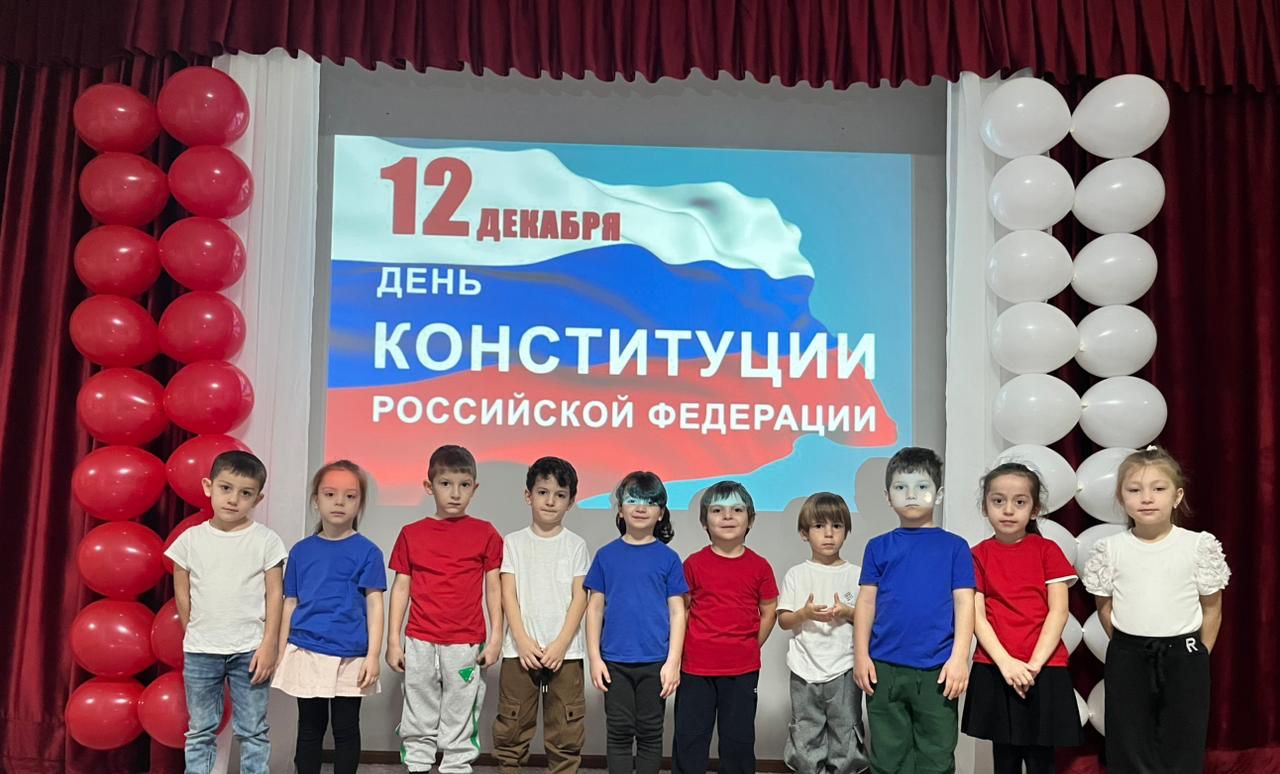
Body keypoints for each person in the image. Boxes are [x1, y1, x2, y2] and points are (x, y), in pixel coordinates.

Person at [1082, 446, 1230, 774]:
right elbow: (1105, 607)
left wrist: (1196, 654)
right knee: (1129, 740)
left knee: (1183, 740)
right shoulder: (1110, 549)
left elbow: (1212, 609)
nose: (1146, 498)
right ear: (1121, 498)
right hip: (1128, 657)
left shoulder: (1197, 545)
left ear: (1177, 496)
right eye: (1134, 490)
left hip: (1184, 657)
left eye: (1158, 489)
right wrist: (1129, 646)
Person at [853, 446, 975, 774]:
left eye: (922, 486)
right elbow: (866, 602)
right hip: (883, 668)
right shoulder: (878, 546)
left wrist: (959, 658)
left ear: (939, 494)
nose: (911, 494)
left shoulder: (956, 547)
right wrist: (861, 655)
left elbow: (965, 603)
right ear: (887, 496)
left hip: (938, 669)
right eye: (901, 487)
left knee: (936, 754)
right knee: (887, 756)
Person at [166, 450, 288, 774]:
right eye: (225, 488)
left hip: (250, 650)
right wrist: (194, 628)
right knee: (200, 729)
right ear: (209, 487)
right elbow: (182, 589)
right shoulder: (190, 540)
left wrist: (269, 645)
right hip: (201, 650)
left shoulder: (266, 541)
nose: (234, 499)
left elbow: (275, 595)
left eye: (245, 493)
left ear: (258, 499)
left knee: (253, 730)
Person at [386, 445, 504, 774]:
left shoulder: (485, 533)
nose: (455, 493)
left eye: (464, 485)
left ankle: (456, 767)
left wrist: (496, 638)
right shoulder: (411, 534)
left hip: (465, 642)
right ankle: (418, 766)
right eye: (445, 484)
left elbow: (494, 588)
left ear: (474, 488)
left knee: (460, 711)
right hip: (420, 640)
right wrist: (393, 641)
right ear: (429, 486)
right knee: (418, 709)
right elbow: (401, 589)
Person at [961, 462, 1081, 774]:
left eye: (1020, 502)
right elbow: (976, 617)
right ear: (985, 506)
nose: (1008, 510)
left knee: (1042, 760)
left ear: (1034, 509)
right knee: (1005, 759)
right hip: (996, 667)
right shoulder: (977, 555)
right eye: (998, 500)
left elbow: (1059, 612)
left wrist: (1033, 664)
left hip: (1044, 668)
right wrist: (1006, 664)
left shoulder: (1047, 550)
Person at [272, 460, 386, 774]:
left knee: (346, 728)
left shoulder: (368, 552)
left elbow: (375, 605)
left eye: (350, 496)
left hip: (351, 656)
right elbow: (290, 603)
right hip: (307, 651)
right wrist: (280, 651)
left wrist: (373, 655)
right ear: (316, 500)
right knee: (310, 727)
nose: (339, 502)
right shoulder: (300, 551)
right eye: (330, 494)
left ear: (359, 504)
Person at [584, 471, 688, 774]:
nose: (641, 507)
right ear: (620, 509)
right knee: (618, 733)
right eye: (632, 500)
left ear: (661, 513)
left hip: (655, 662)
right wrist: (595, 658)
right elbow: (594, 610)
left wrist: (673, 662)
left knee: (650, 734)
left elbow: (678, 612)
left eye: (650, 502)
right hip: (614, 662)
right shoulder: (606, 556)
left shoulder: (669, 559)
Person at [492, 457, 590, 774]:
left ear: (570, 502)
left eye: (560, 495)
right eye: (543, 492)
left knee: (566, 731)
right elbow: (508, 594)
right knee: (512, 727)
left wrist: (561, 644)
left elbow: (580, 597)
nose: (550, 501)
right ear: (528, 495)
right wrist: (521, 640)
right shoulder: (513, 543)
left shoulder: (576, 545)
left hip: (566, 654)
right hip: (519, 651)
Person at [672, 481, 779, 774]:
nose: (728, 516)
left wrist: (749, 645)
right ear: (704, 521)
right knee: (690, 739)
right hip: (695, 669)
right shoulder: (693, 564)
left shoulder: (760, 566)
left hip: (742, 670)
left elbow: (769, 612)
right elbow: (682, 610)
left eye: (737, 510)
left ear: (750, 520)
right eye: (717, 510)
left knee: (738, 742)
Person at [777, 492, 870, 774]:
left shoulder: (857, 574)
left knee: (846, 728)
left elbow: (869, 619)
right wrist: (804, 614)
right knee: (806, 728)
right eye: (819, 526)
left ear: (846, 531)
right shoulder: (796, 574)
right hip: (804, 667)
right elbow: (784, 620)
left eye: (837, 526)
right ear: (804, 533)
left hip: (845, 667)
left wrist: (848, 612)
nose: (829, 534)